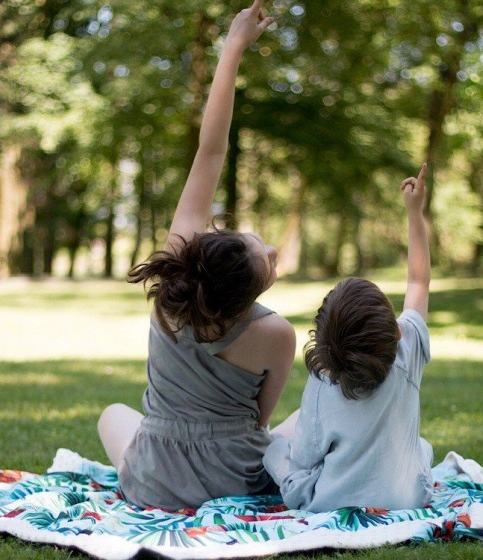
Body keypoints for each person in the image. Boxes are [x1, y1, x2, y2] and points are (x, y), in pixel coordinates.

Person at [97, 0, 296, 511]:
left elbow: (210, 151)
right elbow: (261, 421)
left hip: (153, 483)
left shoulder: (171, 289)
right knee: (300, 425)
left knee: (112, 415)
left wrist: (232, 46)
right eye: (266, 256)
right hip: (237, 478)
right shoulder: (274, 332)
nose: (271, 248)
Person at [263, 164, 433, 512]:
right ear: (397, 332)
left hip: (329, 501)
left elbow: (305, 457)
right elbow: (419, 281)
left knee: (275, 451)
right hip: (407, 499)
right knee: (421, 448)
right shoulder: (408, 351)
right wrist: (414, 213)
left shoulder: (324, 382)